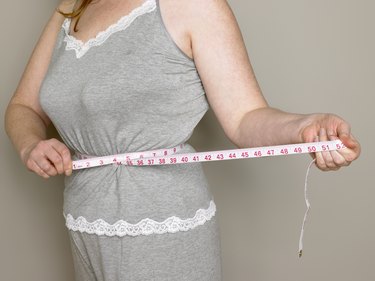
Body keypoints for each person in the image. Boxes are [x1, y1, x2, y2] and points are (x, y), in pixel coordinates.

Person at [4, 0, 360, 280]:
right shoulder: (71, 10)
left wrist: (305, 128)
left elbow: (245, 117)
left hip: (163, 228)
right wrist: (30, 144)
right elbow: (23, 107)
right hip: (83, 221)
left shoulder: (193, 5)